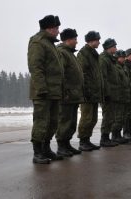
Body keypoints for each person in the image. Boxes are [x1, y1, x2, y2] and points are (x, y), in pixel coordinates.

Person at [27, 15, 64, 164]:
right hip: (43, 91)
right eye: (56, 28)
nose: (58, 31)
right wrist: (41, 88)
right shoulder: (38, 42)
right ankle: (37, 152)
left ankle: (46, 148)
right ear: (49, 28)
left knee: (53, 122)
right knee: (41, 121)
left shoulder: (50, 44)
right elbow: (36, 67)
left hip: (54, 91)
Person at [55, 28, 84, 157]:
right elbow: (60, 74)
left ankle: (67, 144)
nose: (77, 42)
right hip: (66, 94)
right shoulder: (62, 52)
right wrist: (64, 91)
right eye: (75, 39)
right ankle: (61, 145)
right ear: (68, 40)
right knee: (65, 120)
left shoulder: (71, 54)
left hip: (74, 94)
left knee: (72, 122)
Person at [77, 31, 103, 151]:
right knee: (86, 118)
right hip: (87, 92)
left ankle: (87, 139)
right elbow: (82, 74)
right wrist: (86, 90)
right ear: (91, 41)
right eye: (97, 40)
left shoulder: (94, 54)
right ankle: (82, 141)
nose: (99, 42)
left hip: (94, 92)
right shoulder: (83, 54)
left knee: (93, 118)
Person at [99, 38, 120, 147]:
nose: (116, 49)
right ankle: (104, 138)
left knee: (111, 117)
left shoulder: (111, 60)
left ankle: (108, 137)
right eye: (114, 47)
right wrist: (106, 93)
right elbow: (103, 78)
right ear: (109, 48)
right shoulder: (103, 59)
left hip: (113, 93)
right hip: (108, 94)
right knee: (107, 116)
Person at [112, 50, 131, 143]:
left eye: (124, 57)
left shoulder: (123, 68)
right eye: (122, 57)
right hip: (118, 96)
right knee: (117, 117)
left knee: (122, 117)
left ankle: (118, 134)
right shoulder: (115, 67)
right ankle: (115, 135)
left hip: (124, 96)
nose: (123, 59)